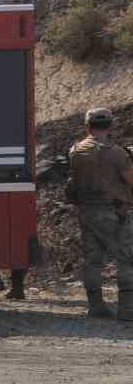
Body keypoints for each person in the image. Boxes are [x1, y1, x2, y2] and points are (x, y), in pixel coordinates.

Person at [67, 107, 133, 319]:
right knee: (126, 259)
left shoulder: (76, 151)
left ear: (87, 126)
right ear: (110, 126)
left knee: (93, 259)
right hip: (113, 213)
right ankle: (127, 309)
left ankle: (96, 306)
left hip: (87, 212)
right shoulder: (116, 153)